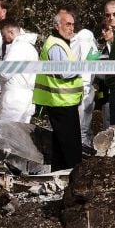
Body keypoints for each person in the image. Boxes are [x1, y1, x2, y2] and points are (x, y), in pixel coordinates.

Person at [33, 10, 83, 170]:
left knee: (61, 144)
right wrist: (85, 64)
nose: (71, 28)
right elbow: (64, 72)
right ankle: (74, 176)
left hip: (62, 101)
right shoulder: (56, 44)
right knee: (71, 145)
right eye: (67, 24)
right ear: (57, 25)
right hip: (61, 102)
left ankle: (59, 174)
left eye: (73, 24)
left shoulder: (58, 42)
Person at [0, 18, 38, 123]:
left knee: (6, 134)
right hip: (27, 98)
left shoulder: (18, 47)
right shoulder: (31, 48)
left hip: (14, 100)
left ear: (11, 32)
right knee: (21, 136)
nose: (2, 38)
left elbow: (5, 73)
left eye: (3, 34)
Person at [69, 22, 100, 150]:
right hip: (83, 83)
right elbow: (87, 61)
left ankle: (81, 140)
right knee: (83, 115)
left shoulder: (81, 38)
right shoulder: (85, 37)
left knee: (83, 114)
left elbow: (86, 60)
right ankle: (81, 142)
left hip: (82, 82)